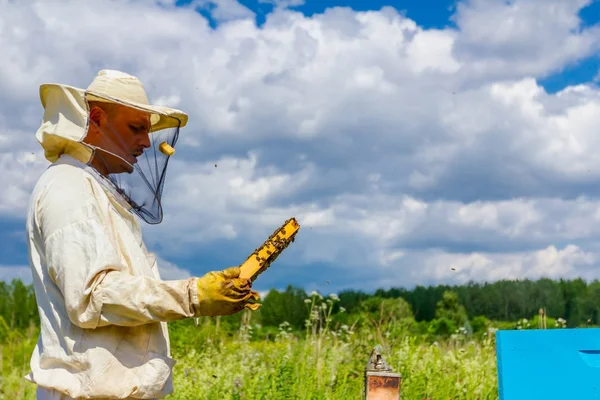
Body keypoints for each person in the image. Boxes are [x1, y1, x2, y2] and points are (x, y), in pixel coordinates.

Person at [24, 69, 260, 399]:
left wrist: (206, 292)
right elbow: (92, 295)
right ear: (97, 119)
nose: (145, 142)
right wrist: (192, 296)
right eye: (136, 128)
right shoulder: (69, 185)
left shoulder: (93, 188)